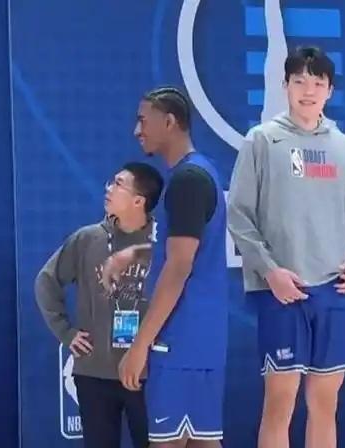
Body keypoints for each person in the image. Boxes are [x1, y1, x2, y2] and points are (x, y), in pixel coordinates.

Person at [227, 46, 345, 448]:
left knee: (325, 403)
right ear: (285, 86)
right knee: (280, 403)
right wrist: (269, 270)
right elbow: (238, 214)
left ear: (329, 90)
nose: (308, 91)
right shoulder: (262, 140)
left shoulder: (344, 147)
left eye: (317, 83)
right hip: (283, 289)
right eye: (299, 81)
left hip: (334, 288)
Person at [103, 87, 228, 448]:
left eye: (143, 120)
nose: (137, 130)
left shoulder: (188, 181)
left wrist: (140, 345)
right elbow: (187, 253)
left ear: (169, 122)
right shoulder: (201, 173)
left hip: (180, 342)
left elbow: (179, 267)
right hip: (200, 339)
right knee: (201, 443)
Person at [35, 162, 163, 448]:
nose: (108, 189)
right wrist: (65, 331)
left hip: (149, 372)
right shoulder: (87, 239)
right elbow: (46, 282)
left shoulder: (164, 244)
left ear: (138, 201)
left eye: (118, 184)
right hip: (95, 372)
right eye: (110, 181)